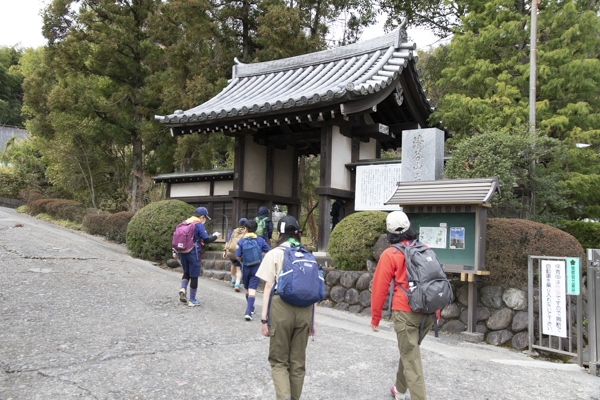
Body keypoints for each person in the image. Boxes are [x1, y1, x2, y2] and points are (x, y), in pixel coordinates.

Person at [370, 211, 434, 400]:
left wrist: (375, 318)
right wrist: (436, 311)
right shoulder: (425, 248)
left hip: (406, 313)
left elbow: (379, 288)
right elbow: (435, 279)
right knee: (409, 351)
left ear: (389, 232)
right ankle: (399, 388)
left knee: (411, 357)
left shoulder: (390, 254)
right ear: (409, 227)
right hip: (429, 312)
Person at [256, 215, 314, 400]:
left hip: (281, 308)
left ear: (279, 233)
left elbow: (267, 286)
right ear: (297, 233)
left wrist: (264, 319)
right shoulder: (307, 254)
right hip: (305, 310)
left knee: (279, 361)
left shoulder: (274, 253)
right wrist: (312, 321)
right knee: (297, 363)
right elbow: (312, 290)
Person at [177, 207, 220, 307]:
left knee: (186, 272)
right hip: (193, 253)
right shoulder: (199, 225)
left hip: (182, 252)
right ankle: (192, 299)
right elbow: (207, 240)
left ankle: (182, 289)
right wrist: (215, 236)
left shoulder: (185, 222)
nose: (204, 220)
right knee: (194, 275)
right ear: (202, 217)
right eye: (205, 218)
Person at [235, 219, 270, 320]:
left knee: (247, 289)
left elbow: (237, 255)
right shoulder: (260, 240)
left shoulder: (241, 241)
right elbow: (268, 251)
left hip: (245, 267)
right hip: (257, 268)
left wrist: (241, 260)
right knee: (252, 290)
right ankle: (249, 310)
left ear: (245, 229)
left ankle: (249, 309)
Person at [223, 217, 247, 291]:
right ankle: (237, 283)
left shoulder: (233, 231)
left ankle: (233, 280)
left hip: (231, 252)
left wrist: (224, 251)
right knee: (238, 268)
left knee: (233, 264)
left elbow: (228, 241)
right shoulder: (246, 232)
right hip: (240, 253)